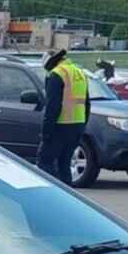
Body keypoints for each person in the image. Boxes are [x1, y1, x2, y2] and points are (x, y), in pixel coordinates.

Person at [37, 49, 90, 184]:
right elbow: (87, 104)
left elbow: (52, 106)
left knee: (44, 162)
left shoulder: (57, 74)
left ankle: (52, 196)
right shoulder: (80, 73)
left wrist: (46, 132)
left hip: (60, 125)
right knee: (64, 164)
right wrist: (82, 126)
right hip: (77, 125)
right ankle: (67, 195)